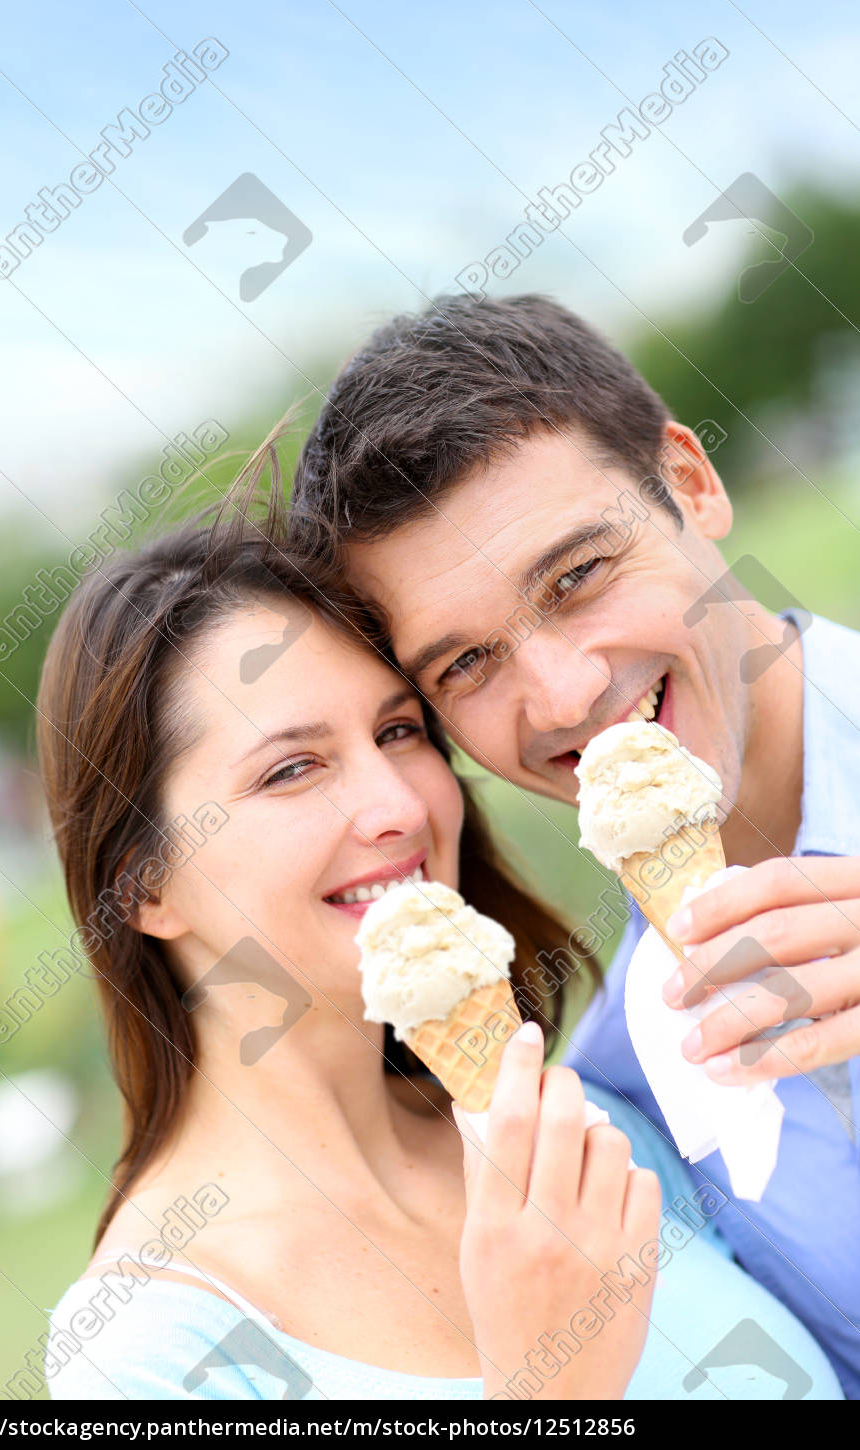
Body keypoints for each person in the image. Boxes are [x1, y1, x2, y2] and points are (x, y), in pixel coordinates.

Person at [38, 466, 838, 1400]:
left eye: (399, 732)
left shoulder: (591, 1129)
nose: (395, 807)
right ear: (141, 883)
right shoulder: (147, 1359)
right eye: (292, 769)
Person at [290, 292, 860, 1397]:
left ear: (690, 482)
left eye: (579, 576)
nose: (562, 693)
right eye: (464, 664)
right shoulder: (626, 1081)